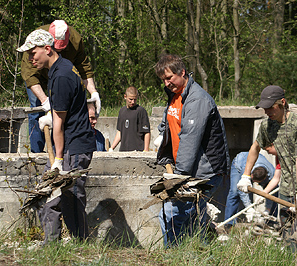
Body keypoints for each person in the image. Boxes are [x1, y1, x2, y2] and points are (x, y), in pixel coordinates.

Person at [17, 29, 96, 244]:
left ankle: (73, 244)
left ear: (47, 49)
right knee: (55, 196)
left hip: (73, 147)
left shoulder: (60, 76)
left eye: (33, 53)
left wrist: (58, 161)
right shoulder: (61, 68)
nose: (30, 58)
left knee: (67, 198)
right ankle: (56, 244)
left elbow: (59, 124)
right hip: (72, 144)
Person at [155, 54, 230, 247]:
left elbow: (190, 139)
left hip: (203, 170)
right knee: (193, 218)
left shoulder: (197, 99)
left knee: (172, 213)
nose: (166, 83)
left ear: (182, 72)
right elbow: (168, 122)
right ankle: (196, 253)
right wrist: (162, 136)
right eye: (163, 79)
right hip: (186, 168)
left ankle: (174, 255)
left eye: (169, 77)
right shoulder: (175, 94)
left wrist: (178, 177)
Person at [237, 85, 297, 252]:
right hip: (286, 187)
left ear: (282, 103)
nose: (267, 111)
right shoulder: (267, 126)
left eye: (271, 107)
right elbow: (255, 147)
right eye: (264, 108)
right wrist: (246, 175)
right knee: (288, 236)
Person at [21, 20, 101, 153]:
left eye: (61, 48)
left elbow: (84, 68)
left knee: (62, 112)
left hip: (61, 78)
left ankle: (59, 150)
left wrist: (93, 92)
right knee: (37, 112)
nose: (58, 50)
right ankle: (37, 152)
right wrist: (45, 100)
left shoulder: (75, 40)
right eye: (55, 48)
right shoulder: (36, 41)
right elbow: (29, 76)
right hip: (38, 78)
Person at [224, 151, 275, 229]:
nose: (254, 183)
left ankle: (270, 222)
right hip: (239, 162)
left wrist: (267, 209)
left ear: (265, 178)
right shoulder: (246, 169)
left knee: (275, 194)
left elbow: (272, 192)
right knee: (234, 192)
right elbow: (241, 190)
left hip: (261, 166)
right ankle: (229, 224)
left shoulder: (271, 173)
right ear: (251, 175)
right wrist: (249, 208)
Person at [109, 86, 150, 152]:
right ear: (125, 97)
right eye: (130, 99)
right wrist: (111, 148)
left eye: (135, 99)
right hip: (123, 150)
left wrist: (146, 150)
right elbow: (120, 131)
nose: (133, 102)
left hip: (138, 150)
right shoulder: (122, 111)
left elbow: (147, 132)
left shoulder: (141, 111)